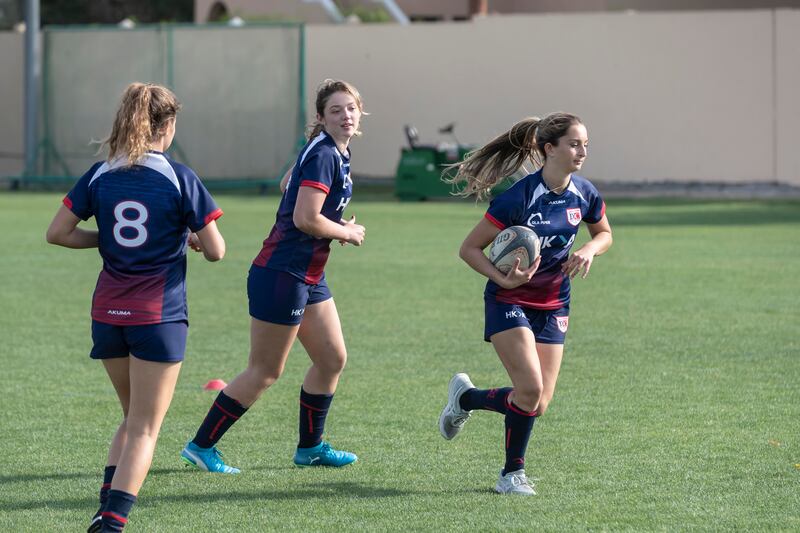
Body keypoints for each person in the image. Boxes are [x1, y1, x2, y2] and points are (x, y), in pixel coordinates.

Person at [46, 82, 225, 531]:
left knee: (133, 418)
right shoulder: (179, 176)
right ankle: (111, 522)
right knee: (145, 427)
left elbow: (58, 233)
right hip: (158, 315)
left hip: (107, 314)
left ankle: (105, 503)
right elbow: (217, 249)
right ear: (167, 126)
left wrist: (104, 239)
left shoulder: (100, 173)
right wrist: (189, 238)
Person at [180, 79, 366, 473]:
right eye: (335, 110)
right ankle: (200, 446)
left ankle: (310, 448)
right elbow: (304, 217)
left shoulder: (331, 151)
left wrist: (330, 223)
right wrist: (345, 231)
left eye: (350, 108)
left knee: (332, 359)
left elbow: (288, 185)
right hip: (283, 273)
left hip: (308, 275)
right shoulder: (324, 155)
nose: (345, 115)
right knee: (265, 371)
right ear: (321, 117)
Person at [438, 113, 612, 495]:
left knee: (537, 403)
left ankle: (466, 398)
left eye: (585, 144)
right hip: (508, 299)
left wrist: (588, 249)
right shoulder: (518, 197)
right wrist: (501, 278)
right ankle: (510, 475)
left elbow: (604, 233)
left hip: (554, 304)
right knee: (529, 390)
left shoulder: (584, 193)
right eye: (574, 143)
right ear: (550, 149)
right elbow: (469, 248)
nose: (582, 151)